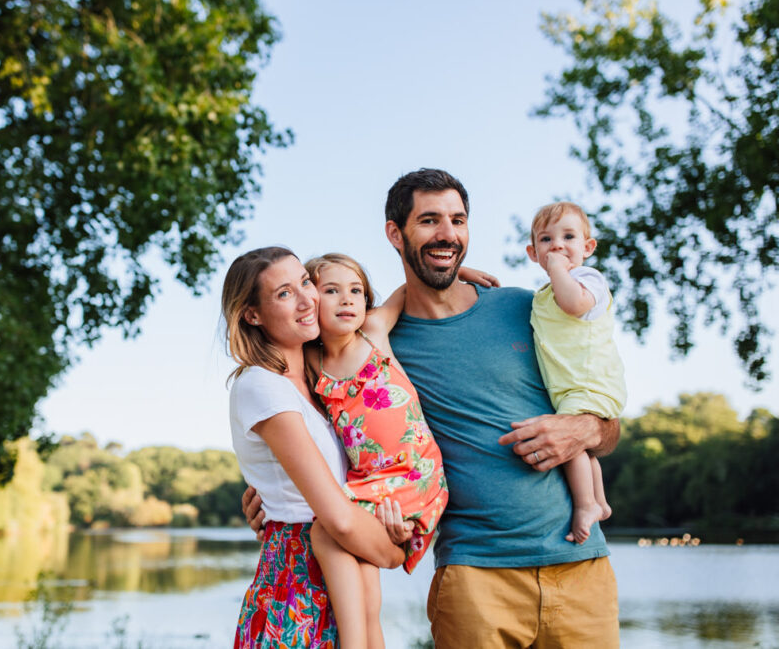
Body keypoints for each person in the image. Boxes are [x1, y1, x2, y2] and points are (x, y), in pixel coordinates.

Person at [383, 168, 621, 647]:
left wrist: (582, 431)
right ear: (395, 233)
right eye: (429, 220)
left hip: (581, 568)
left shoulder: (528, 308)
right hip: (475, 575)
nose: (448, 234)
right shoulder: (381, 342)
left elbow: (607, 425)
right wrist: (272, 485)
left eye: (458, 220)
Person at [222, 246, 412, 649]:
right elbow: (337, 519)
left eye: (306, 282)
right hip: (297, 587)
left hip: (346, 572)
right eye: (284, 293)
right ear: (252, 315)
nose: (307, 298)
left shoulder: (317, 382)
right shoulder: (261, 385)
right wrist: (396, 554)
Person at [302, 253, 450, 649]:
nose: (347, 300)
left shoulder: (372, 332)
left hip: (414, 473)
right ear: (309, 300)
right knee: (360, 558)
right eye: (331, 291)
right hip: (367, 480)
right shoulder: (311, 362)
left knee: (326, 528)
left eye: (356, 291)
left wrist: (460, 273)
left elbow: (409, 291)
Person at [526, 201, 626, 544]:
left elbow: (574, 304)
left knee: (571, 444)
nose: (556, 245)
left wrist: (558, 270)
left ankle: (584, 505)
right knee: (583, 450)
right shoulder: (543, 295)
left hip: (590, 381)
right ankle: (598, 500)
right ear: (532, 253)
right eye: (546, 240)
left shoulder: (587, 279)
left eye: (568, 236)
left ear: (588, 247)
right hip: (571, 387)